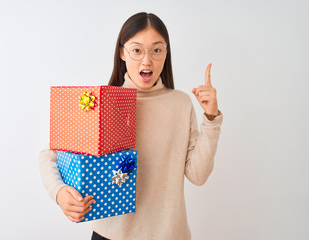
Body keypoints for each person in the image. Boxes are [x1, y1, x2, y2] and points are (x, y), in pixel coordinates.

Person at [39, 12, 223, 240]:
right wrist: (60, 193)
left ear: (166, 53)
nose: (147, 60)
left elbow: (198, 175)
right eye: (137, 50)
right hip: (110, 235)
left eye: (157, 50)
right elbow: (51, 154)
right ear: (122, 53)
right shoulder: (102, 101)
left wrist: (211, 118)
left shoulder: (180, 103)